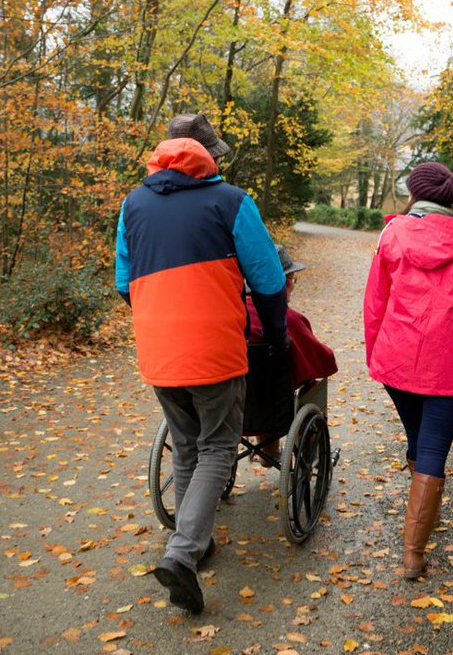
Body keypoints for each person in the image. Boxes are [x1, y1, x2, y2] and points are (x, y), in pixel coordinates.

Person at [115, 113, 288, 614]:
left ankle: (195, 541)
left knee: (186, 446)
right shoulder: (232, 201)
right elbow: (269, 280)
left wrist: (160, 321)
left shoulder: (133, 204)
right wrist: (275, 337)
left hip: (158, 352)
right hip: (215, 350)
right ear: (209, 156)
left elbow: (125, 284)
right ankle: (184, 552)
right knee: (216, 447)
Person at [362, 161, 453, 581]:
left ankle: (420, 516)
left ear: (416, 194)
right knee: (432, 449)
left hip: (398, 360)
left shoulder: (393, 234)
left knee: (420, 442)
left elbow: (374, 302)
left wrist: (375, 355)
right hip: (451, 363)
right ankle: (413, 554)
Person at [246, 244, 338, 461]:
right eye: (293, 280)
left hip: (228, 404)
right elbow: (323, 361)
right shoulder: (289, 320)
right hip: (272, 408)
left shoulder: (228, 315)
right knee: (310, 386)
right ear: (284, 283)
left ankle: (267, 452)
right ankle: (308, 453)